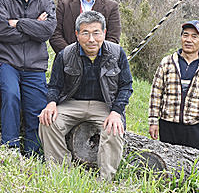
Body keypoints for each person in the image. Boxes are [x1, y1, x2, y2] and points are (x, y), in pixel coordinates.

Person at [39, 11, 133, 180]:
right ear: (77, 34)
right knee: (48, 122)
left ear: (104, 33)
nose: (91, 39)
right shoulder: (66, 55)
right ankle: (60, 173)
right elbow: (54, 85)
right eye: (85, 33)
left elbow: (126, 86)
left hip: (104, 105)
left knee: (114, 129)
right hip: (72, 103)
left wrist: (116, 112)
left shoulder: (117, 53)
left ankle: (105, 180)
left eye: (96, 33)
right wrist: (51, 103)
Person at [0, 0, 56, 155]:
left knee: (36, 105)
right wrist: (34, 25)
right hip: (6, 61)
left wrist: (18, 23)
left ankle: (32, 151)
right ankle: (10, 146)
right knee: (11, 95)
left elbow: (47, 31)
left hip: (35, 64)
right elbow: (1, 32)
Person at [148, 20, 199, 151]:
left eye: (194, 36)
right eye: (185, 35)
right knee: (167, 164)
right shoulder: (167, 63)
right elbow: (156, 94)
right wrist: (153, 121)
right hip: (168, 124)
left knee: (192, 166)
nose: (188, 40)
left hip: (195, 127)